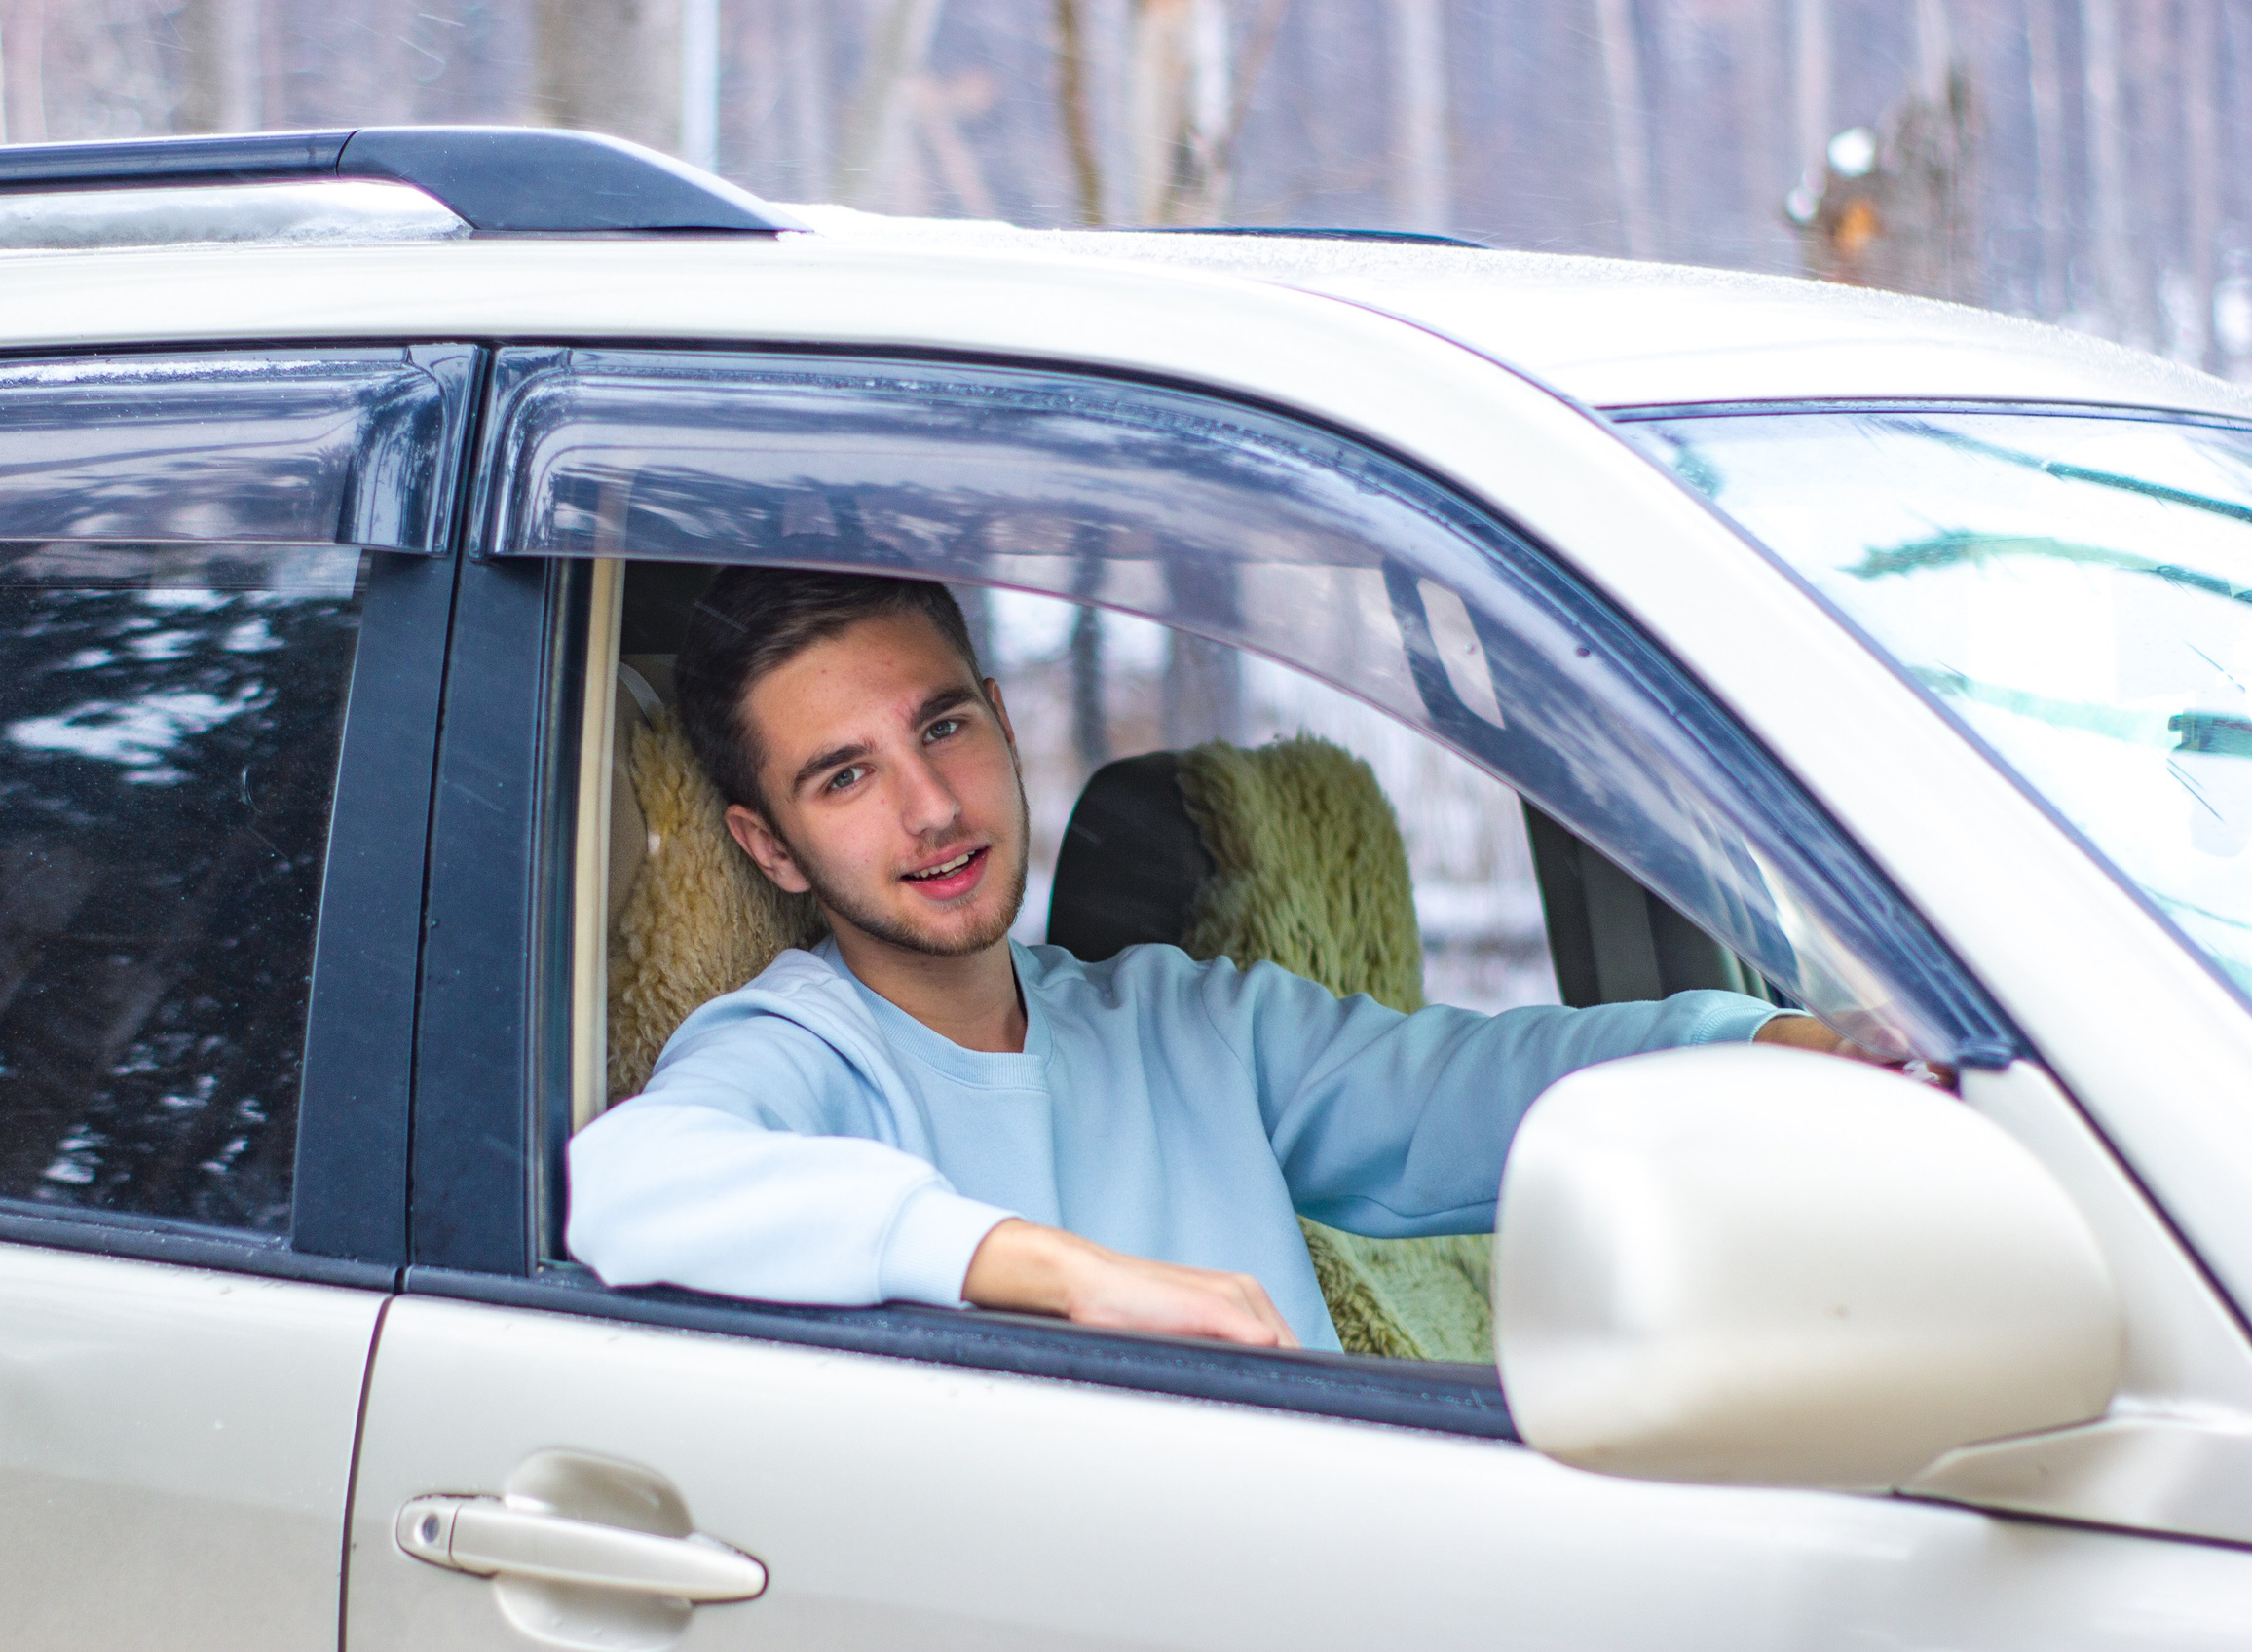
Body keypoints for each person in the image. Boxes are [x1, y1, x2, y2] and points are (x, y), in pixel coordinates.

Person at [568, 568, 1882, 1352]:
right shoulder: (798, 1053)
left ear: (1004, 723)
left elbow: (1485, 1085)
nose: (932, 809)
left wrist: (1776, 1048)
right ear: (772, 846)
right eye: (846, 775)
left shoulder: (1179, 1021)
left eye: (945, 728)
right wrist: (1067, 1273)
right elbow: (632, 1183)